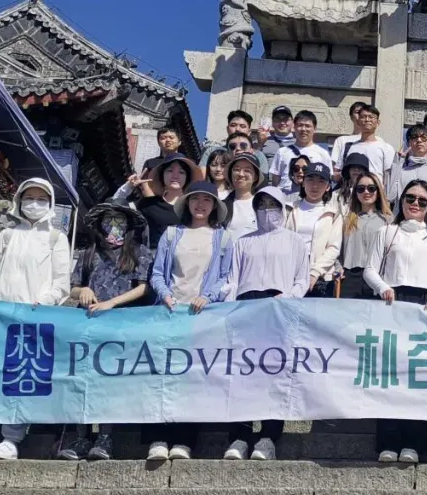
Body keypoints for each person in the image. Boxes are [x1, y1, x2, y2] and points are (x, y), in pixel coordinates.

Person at [0, 179, 70, 461]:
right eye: (29, 197)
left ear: (50, 203)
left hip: (32, 318)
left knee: (22, 377)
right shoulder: (6, 236)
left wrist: (44, 302)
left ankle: (10, 439)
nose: (34, 203)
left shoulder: (56, 238)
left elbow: (61, 283)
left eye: (41, 199)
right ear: (19, 200)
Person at [56, 204, 155, 461]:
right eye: (108, 219)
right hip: (87, 324)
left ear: (128, 224)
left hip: (121, 325)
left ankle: (105, 437)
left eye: (119, 219)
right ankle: (81, 436)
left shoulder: (140, 252)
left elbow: (144, 287)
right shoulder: (89, 252)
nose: (113, 225)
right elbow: (73, 287)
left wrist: (112, 302)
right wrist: (82, 291)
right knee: (82, 379)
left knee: (110, 381)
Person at [364, 180, 427, 464]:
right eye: (410, 198)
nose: (415, 204)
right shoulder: (387, 232)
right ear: (401, 201)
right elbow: (370, 269)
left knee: (418, 374)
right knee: (390, 373)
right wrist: (382, 287)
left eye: (422, 201)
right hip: (392, 301)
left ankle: (414, 443)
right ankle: (388, 441)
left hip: (423, 304)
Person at [146, 181, 233, 460]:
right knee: (162, 375)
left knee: (192, 378)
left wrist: (207, 296)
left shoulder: (223, 238)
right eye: (195, 199)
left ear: (214, 206)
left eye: (207, 200)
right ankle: (158, 437)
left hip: (201, 317)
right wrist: (165, 294)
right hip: (170, 314)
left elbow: (226, 277)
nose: (200, 205)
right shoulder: (172, 234)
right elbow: (157, 272)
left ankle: (184, 440)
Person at [222, 186, 309, 461]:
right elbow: (232, 279)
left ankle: (269, 437)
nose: (267, 210)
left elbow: (302, 279)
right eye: (261, 204)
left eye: (273, 204)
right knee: (242, 374)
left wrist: (288, 298)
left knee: (274, 373)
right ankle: (239, 436)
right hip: (246, 307)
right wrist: (230, 305)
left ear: (282, 207)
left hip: (278, 306)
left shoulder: (295, 241)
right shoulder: (243, 242)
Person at [114, 153, 201, 247]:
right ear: (162, 175)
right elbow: (114, 206)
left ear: (187, 178)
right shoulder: (149, 204)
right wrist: (129, 187)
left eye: (181, 172)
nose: (175, 176)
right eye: (170, 170)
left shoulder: (194, 208)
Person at [287, 163, 342, 297]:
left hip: (321, 276)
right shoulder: (290, 209)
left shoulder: (333, 213)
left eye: (321, 181)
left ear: (328, 186)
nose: (315, 186)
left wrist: (315, 272)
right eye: (310, 180)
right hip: (291, 272)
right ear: (303, 182)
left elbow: (333, 248)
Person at [340, 172, 393, 299]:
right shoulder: (348, 219)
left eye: (371, 188)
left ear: (378, 191)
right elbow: (339, 248)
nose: (366, 192)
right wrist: (338, 268)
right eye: (361, 189)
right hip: (351, 276)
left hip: (377, 276)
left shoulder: (388, 220)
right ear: (355, 192)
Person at [269, 110, 332, 187]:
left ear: (314, 128)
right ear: (294, 127)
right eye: (300, 125)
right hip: (284, 193)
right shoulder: (282, 152)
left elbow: (327, 180)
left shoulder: (323, 154)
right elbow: (275, 181)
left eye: (307, 126)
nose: (303, 129)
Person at [340, 104, 396, 185]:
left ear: (378, 122)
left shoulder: (386, 148)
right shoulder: (348, 147)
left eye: (371, 117)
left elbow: (389, 177)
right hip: (353, 191)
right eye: (363, 117)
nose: (367, 120)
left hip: (376, 191)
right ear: (358, 122)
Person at [388, 124, 427, 203]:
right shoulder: (401, 170)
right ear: (409, 143)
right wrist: (397, 163)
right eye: (414, 137)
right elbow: (390, 197)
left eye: (423, 137)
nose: (419, 140)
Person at [200, 110, 269, 174]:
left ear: (249, 132)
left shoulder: (258, 155)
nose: (237, 129)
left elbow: (262, 179)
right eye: (233, 125)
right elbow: (201, 176)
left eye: (242, 126)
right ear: (227, 129)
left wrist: (260, 144)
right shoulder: (212, 151)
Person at [224, 152, 263, 242]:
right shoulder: (222, 205)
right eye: (236, 169)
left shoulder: (262, 205)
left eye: (247, 170)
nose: (241, 174)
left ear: (255, 177)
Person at [330, 100, 367, 181]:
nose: (360, 115)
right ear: (351, 117)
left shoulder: (378, 141)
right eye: (357, 112)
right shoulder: (342, 140)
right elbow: (334, 172)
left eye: (363, 113)